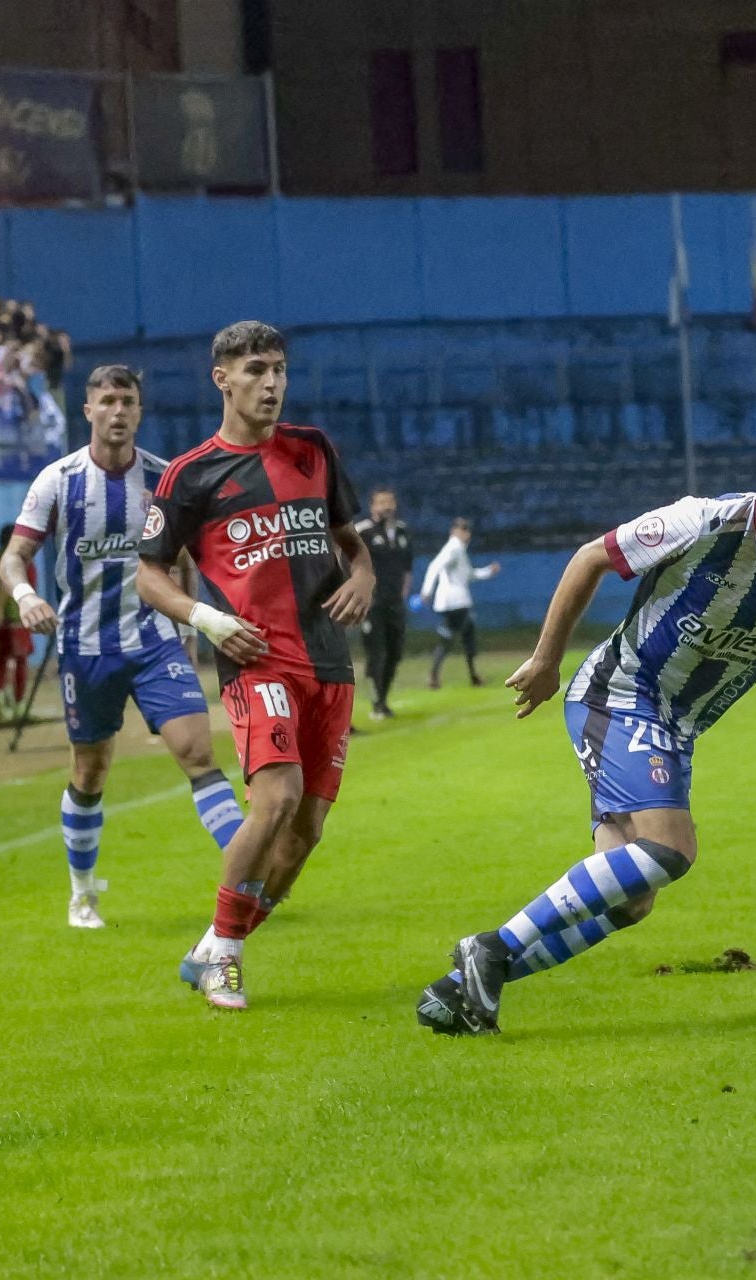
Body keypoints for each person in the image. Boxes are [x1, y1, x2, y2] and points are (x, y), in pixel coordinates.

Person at [418, 411, 756, 1036]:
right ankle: (491, 948)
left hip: (678, 725)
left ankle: (463, 990)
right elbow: (590, 558)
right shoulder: (703, 520)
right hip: (619, 694)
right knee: (671, 848)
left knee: (632, 901)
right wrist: (547, 659)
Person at [136, 322, 375, 1010]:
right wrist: (207, 620)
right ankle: (228, 960)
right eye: (257, 370)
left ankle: (213, 944)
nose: (272, 383)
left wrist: (364, 576)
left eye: (280, 371)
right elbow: (148, 576)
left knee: (306, 835)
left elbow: (349, 543)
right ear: (223, 379)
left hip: (329, 663)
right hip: (257, 661)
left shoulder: (313, 450)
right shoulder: (191, 475)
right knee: (277, 801)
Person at [0, 364, 250, 931]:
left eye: (128, 401)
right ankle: (82, 894)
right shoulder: (57, 481)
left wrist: (193, 630)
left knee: (198, 754)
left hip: (154, 641)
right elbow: (14, 556)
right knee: (90, 771)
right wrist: (23, 595)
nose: (118, 411)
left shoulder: (164, 479)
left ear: (139, 411)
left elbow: (186, 562)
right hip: (85, 648)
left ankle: (249, 879)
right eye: (107, 401)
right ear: (87, 410)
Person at [353, 485, 414, 718]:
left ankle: (383, 698)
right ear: (372, 506)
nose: (387, 506)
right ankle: (377, 701)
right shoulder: (363, 532)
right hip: (372, 604)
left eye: (390, 502)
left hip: (395, 603)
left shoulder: (403, 531)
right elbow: (348, 564)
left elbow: (407, 568)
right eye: (381, 502)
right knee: (376, 653)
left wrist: (403, 594)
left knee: (395, 652)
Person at [420, 517, 499, 688]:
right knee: (453, 638)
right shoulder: (454, 548)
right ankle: (437, 676)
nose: (467, 534)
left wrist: (488, 571)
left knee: (464, 635)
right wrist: (426, 591)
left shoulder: (458, 549)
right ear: (455, 531)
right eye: (464, 530)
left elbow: (468, 574)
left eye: (467, 530)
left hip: (454, 601)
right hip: (455, 601)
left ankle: (471, 676)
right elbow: (435, 566)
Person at [0, 521, 34, 716]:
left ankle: (2, 698)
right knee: (18, 662)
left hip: (12, 619)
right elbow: (3, 587)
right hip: (16, 620)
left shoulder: (2, 559)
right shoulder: (18, 561)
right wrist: (0, 609)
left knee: (3, 660)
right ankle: (16, 702)